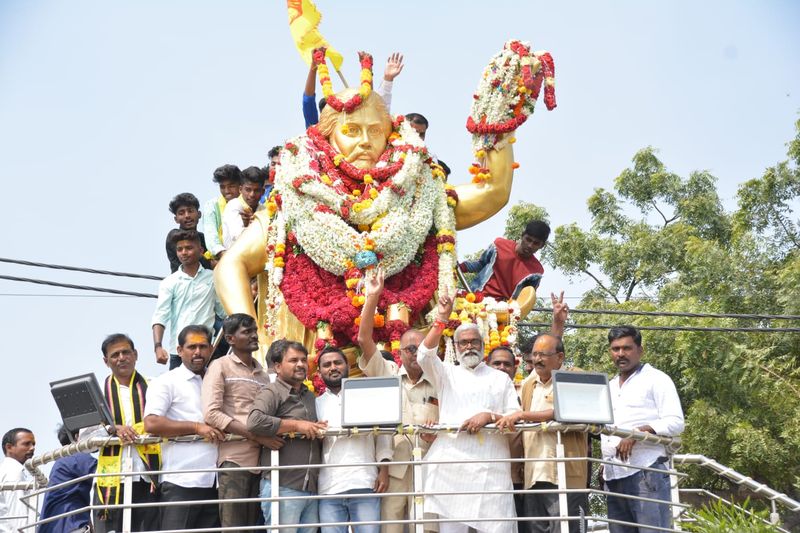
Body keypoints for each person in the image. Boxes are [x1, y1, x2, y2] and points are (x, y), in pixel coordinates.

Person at [417, 293, 520, 533]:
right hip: (452, 469)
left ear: (483, 345)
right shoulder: (446, 374)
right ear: (455, 347)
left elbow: (514, 416)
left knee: (498, 527)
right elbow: (424, 355)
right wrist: (442, 318)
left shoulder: (500, 379)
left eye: (474, 341)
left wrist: (489, 416)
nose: (469, 346)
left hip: (490, 468)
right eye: (463, 342)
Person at [356, 268, 438, 532]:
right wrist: (372, 298)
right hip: (394, 471)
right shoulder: (387, 374)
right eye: (410, 349)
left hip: (432, 468)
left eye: (421, 347)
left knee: (427, 529)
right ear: (399, 353)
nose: (416, 353)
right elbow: (363, 339)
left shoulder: (441, 379)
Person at [496, 333, 589, 533]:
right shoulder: (530, 383)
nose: (537, 359)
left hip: (565, 475)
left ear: (560, 357)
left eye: (543, 354)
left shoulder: (574, 377)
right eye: (535, 354)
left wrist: (523, 414)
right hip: (533, 475)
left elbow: (567, 410)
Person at [601, 326, 684, 533]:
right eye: (615, 349)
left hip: (646, 473)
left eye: (627, 348)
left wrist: (637, 433)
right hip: (614, 476)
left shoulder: (656, 379)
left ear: (640, 350)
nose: (620, 354)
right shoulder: (610, 386)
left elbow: (675, 422)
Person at [202, 313, 280, 532]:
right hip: (234, 461)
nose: (255, 336)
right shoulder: (220, 366)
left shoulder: (263, 375)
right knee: (234, 528)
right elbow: (211, 413)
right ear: (230, 339)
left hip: (263, 463)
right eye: (247, 332)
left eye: (255, 330)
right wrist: (254, 435)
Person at [144, 325, 224, 530]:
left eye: (203, 346)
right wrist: (197, 428)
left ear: (211, 349)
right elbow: (151, 423)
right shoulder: (167, 382)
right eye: (192, 347)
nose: (198, 352)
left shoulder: (216, 381)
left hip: (214, 483)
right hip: (181, 481)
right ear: (179, 351)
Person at [247, 340, 327, 532]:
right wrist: (296, 425)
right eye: (293, 360)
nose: (300, 364)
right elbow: (254, 421)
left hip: (310, 487)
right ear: (278, 366)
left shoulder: (309, 396)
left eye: (303, 360)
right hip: (283, 485)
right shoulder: (272, 391)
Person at [315, 347, 392, 533]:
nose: (333, 367)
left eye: (337, 362)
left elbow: (382, 432)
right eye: (326, 365)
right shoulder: (315, 403)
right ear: (319, 372)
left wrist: (384, 469)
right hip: (329, 486)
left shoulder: (365, 396)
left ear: (347, 365)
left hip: (365, 481)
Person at [94, 334, 160, 533]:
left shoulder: (155, 386)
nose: (121, 358)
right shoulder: (97, 394)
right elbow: (86, 437)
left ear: (136, 355)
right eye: (115, 355)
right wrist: (114, 429)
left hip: (148, 476)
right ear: (106, 361)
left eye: (126, 352)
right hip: (113, 479)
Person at [152, 229, 226, 369]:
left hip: (207, 352)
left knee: (210, 390)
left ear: (201, 250)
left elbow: (223, 312)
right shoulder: (169, 282)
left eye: (189, 248)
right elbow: (160, 316)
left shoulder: (213, 278)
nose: (184, 252)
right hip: (179, 353)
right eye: (180, 249)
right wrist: (158, 347)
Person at [302, 52, 404, 128]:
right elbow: (308, 101)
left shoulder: (359, 131)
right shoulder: (316, 133)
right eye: (333, 109)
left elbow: (371, 106)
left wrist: (369, 70)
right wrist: (313, 67)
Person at [460, 220, 550, 300]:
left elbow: (526, 298)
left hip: (502, 311)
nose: (530, 245)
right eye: (528, 239)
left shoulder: (536, 271)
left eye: (536, 243)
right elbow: (481, 264)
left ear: (541, 246)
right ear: (522, 235)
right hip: (476, 296)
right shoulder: (499, 245)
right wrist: (461, 267)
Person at [39, 425, 96, 533]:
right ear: (77, 436)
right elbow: (106, 476)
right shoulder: (77, 457)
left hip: (55, 526)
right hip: (70, 525)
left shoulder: (63, 460)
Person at [166, 192, 214, 272]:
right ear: (176, 219)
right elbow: (199, 261)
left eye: (190, 211)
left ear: (199, 214)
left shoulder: (203, 238)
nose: (187, 216)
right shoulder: (174, 236)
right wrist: (213, 263)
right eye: (181, 213)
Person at [222, 166, 268, 249]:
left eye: (256, 190)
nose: (252, 195)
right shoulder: (233, 205)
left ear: (263, 191)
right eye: (248, 190)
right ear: (240, 189)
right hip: (234, 259)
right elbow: (238, 236)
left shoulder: (264, 210)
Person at [203, 164, 242, 260]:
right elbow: (210, 234)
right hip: (221, 259)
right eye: (222, 187)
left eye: (231, 186)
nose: (227, 191)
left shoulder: (249, 202)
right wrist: (223, 254)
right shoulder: (212, 205)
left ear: (240, 185)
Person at [0, 428, 35, 533]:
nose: (32, 448)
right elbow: (18, 515)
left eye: (33, 444)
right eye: (26, 444)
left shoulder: (4, 469)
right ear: (9, 447)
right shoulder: (13, 471)